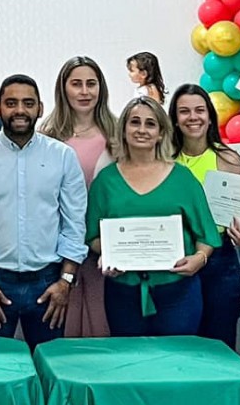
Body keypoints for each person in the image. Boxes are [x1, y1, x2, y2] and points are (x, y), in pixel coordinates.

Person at [0, 76, 88, 348]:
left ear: (40, 108)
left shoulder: (62, 156)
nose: (20, 110)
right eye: (11, 103)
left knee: (48, 365)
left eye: (28, 103)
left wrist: (65, 282)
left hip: (48, 283)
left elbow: (74, 223)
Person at [87, 99, 220, 337]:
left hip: (178, 292)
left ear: (161, 133)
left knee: (178, 357)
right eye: (134, 122)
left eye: (150, 124)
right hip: (123, 292)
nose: (142, 130)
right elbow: (92, 236)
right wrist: (108, 254)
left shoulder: (183, 178)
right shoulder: (105, 181)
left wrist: (199, 259)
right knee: (130, 358)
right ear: (123, 130)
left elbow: (206, 235)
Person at [42, 56, 121, 338]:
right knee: (61, 326)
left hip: (105, 250)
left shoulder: (118, 134)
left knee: (102, 324)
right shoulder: (47, 136)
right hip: (58, 250)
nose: (85, 91)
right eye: (76, 84)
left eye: (91, 84)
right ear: (63, 88)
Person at [170, 84, 240, 347]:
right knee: (180, 343)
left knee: (219, 343)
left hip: (220, 261)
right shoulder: (165, 159)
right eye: (184, 111)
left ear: (210, 116)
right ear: (174, 118)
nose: (193, 117)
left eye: (199, 110)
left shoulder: (227, 158)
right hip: (174, 258)